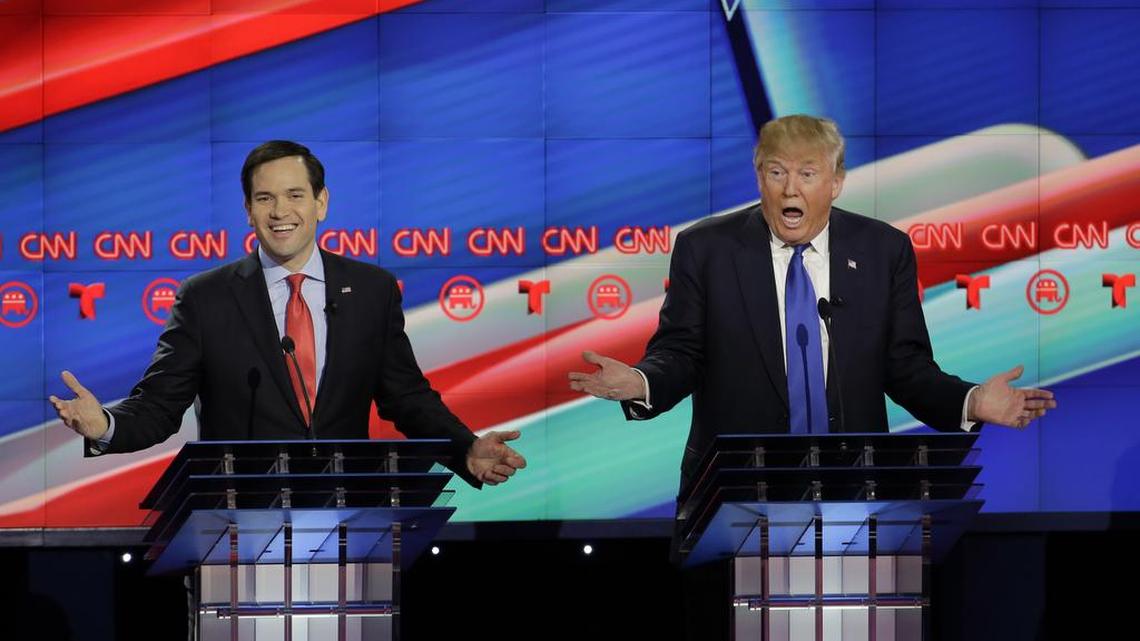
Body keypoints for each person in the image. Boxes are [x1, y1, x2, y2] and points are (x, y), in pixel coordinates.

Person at [568, 114, 1056, 637]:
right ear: (758, 177)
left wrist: (971, 400)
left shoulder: (882, 251)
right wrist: (642, 383)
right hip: (737, 507)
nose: (789, 189)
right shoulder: (707, 249)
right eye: (776, 173)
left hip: (854, 505)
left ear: (836, 181)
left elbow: (906, 367)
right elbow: (682, 351)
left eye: (806, 174)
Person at [50, 140, 525, 488]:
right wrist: (105, 427)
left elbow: (406, 398)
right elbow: (159, 406)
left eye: (296, 195)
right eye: (265, 198)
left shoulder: (370, 290)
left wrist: (464, 447)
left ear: (321, 203)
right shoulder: (206, 298)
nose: (281, 211)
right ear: (248, 211)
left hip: (349, 512)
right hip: (236, 520)